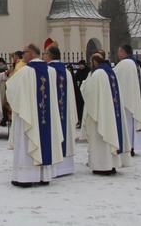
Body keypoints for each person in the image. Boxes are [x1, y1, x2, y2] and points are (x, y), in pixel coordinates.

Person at [6, 42, 64, 186]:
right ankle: (43, 176)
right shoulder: (50, 71)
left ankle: (25, 177)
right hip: (45, 118)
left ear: (30, 54)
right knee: (44, 139)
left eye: (24, 52)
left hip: (29, 116)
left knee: (27, 143)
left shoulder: (25, 72)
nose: (22, 55)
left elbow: (11, 89)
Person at [80, 52, 131, 175]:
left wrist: (83, 85)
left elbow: (89, 92)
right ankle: (112, 164)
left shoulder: (97, 74)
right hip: (111, 113)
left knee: (101, 139)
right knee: (111, 134)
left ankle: (101, 166)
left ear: (94, 62)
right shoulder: (111, 72)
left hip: (100, 113)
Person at [44, 45, 78, 177]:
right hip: (65, 111)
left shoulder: (47, 70)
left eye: (46, 54)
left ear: (50, 55)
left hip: (52, 111)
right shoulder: (66, 72)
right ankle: (66, 167)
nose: (44, 56)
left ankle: (56, 166)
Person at [114, 44, 141, 155]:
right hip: (134, 98)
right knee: (132, 123)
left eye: (119, 51)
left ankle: (128, 146)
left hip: (127, 99)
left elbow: (113, 76)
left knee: (127, 123)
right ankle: (132, 146)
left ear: (123, 52)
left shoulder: (125, 64)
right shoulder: (135, 63)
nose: (118, 54)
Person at [74, 59, 89, 126]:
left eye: (81, 65)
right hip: (78, 92)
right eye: (79, 65)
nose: (80, 66)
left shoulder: (88, 71)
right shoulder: (78, 71)